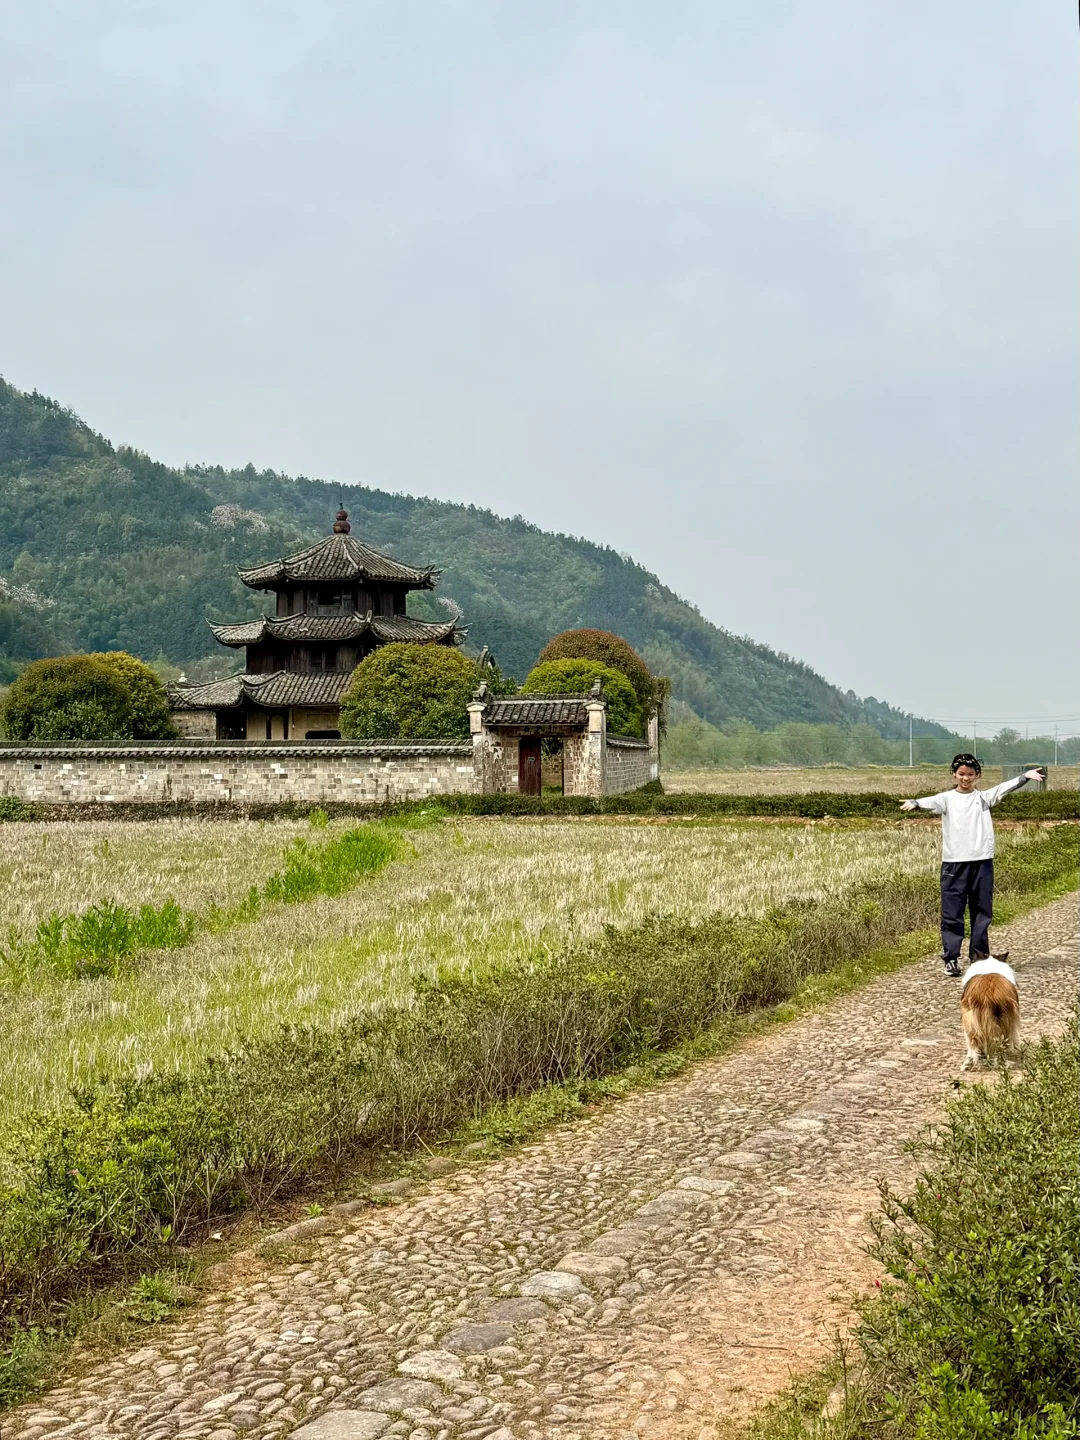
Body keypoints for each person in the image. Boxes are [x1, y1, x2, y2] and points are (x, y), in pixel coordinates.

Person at [900, 755, 1044, 977]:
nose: (965, 778)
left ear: (978, 776)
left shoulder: (984, 798)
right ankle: (951, 959)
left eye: (970, 774)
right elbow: (929, 802)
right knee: (952, 913)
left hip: (982, 862)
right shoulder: (946, 798)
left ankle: (978, 957)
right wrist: (915, 803)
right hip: (954, 864)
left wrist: (1024, 777)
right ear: (954, 775)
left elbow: (1004, 788)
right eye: (961, 774)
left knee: (982, 912)